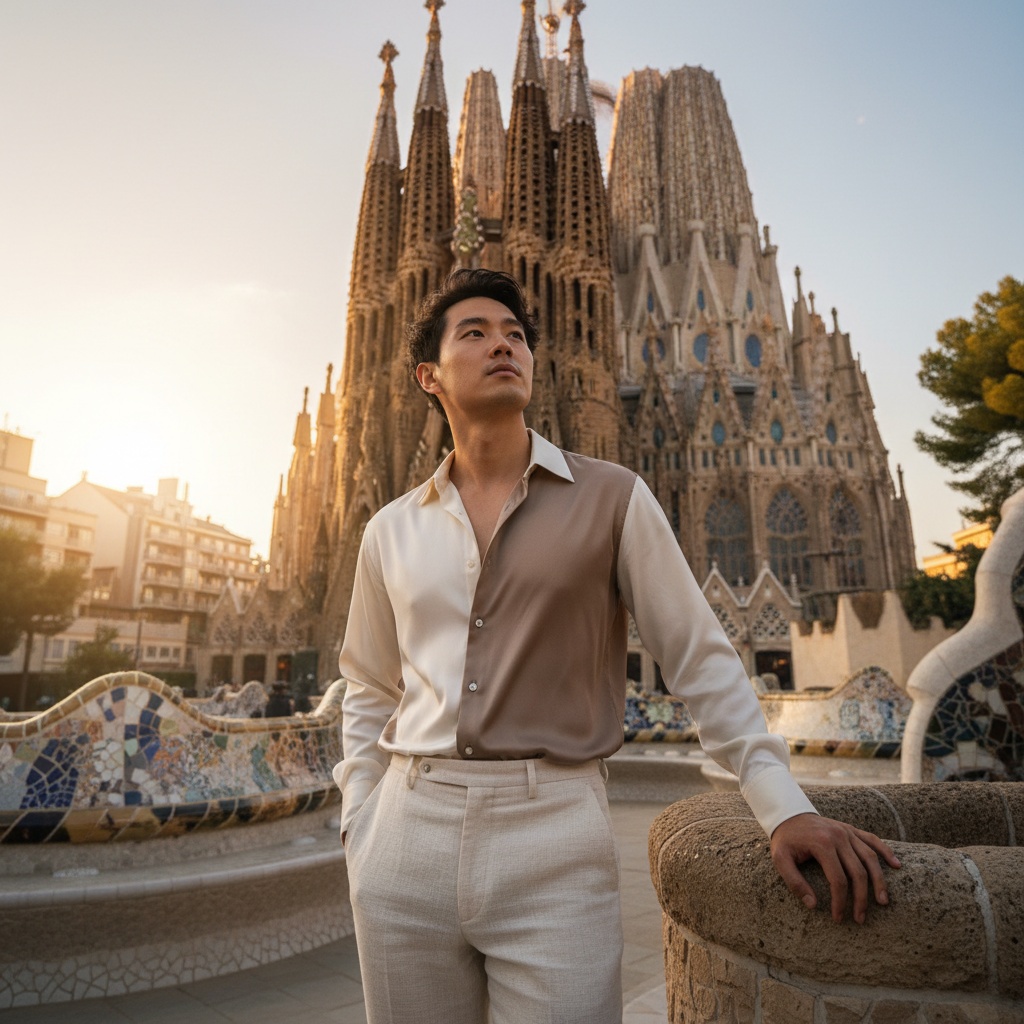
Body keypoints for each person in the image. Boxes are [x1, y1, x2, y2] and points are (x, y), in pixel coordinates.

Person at [333, 269, 900, 1024]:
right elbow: (368, 686)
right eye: (476, 332)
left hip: (553, 828)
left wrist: (781, 804)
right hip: (406, 835)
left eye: (517, 335)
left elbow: (700, 657)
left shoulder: (612, 496)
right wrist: (361, 822)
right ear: (428, 375)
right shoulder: (390, 529)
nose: (504, 344)